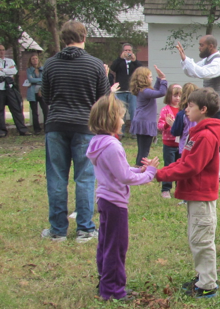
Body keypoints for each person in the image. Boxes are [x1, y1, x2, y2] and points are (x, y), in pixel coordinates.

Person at [41, 20, 110, 242]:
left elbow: (47, 96)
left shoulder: (50, 65)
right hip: (84, 126)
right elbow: (104, 100)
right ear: (84, 36)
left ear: (64, 39)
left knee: (57, 177)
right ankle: (85, 229)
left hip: (56, 124)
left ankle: (58, 230)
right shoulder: (95, 64)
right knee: (85, 177)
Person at [151, 88, 220, 299]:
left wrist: (159, 175)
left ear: (203, 109)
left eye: (190, 106)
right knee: (196, 237)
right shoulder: (198, 134)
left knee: (202, 240)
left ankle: (208, 284)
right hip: (194, 195)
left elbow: (190, 167)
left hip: (201, 196)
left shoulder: (206, 136)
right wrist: (161, 171)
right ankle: (202, 277)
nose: (185, 109)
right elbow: (183, 161)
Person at [86, 94, 158, 301]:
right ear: (110, 119)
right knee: (116, 247)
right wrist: (150, 173)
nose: (123, 121)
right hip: (115, 203)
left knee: (105, 244)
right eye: (120, 116)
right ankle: (114, 291)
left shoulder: (97, 143)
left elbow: (122, 170)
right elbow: (124, 177)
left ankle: (105, 282)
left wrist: (139, 169)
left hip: (104, 200)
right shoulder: (113, 145)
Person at [177, 36, 220, 182]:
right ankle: (209, 168)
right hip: (211, 105)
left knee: (218, 140)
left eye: (201, 45)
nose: (199, 48)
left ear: (211, 46)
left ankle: (219, 174)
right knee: (208, 137)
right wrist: (185, 59)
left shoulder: (219, 61)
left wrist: (187, 60)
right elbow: (192, 71)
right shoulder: (208, 60)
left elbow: (202, 72)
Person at [129, 66, 168, 167]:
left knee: (141, 148)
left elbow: (155, 91)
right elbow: (161, 92)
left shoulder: (144, 91)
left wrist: (159, 79)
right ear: (144, 79)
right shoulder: (145, 91)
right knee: (144, 150)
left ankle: (138, 167)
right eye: (150, 76)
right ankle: (140, 169)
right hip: (145, 123)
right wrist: (163, 80)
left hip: (141, 121)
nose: (151, 78)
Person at [110, 44, 142, 134]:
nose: (128, 52)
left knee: (133, 111)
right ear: (122, 52)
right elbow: (113, 68)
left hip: (132, 91)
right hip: (121, 90)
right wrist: (120, 58)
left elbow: (141, 69)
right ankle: (120, 131)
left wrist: (134, 60)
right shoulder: (119, 62)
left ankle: (134, 132)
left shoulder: (134, 63)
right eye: (126, 50)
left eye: (129, 50)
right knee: (121, 112)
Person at [0, 44, 30, 137]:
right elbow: (8, 72)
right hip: (0, 89)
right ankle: (2, 131)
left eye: (3, 50)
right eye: (0, 50)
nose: (2, 52)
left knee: (16, 108)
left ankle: (22, 130)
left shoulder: (10, 61)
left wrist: (3, 70)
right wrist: (7, 71)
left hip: (10, 88)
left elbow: (14, 71)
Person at [157, 84, 182, 198]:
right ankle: (166, 189)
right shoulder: (165, 110)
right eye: (175, 95)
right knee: (169, 165)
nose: (177, 98)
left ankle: (180, 187)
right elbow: (160, 126)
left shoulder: (183, 110)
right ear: (169, 96)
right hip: (169, 144)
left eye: (180, 96)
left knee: (180, 166)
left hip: (181, 144)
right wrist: (167, 124)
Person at [26, 54, 49, 134]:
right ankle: (37, 129)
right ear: (30, 61)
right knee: (34, 112)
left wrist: (35, 80)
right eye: (33, 59)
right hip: (32, 93)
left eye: (36, 58)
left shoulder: (43, 69)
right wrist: (39, 80)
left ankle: (46, 128)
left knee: (45, 110)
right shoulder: (29, 70)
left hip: (42, 92)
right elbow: (30, 80)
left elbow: (44, 79)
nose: (35, 60)